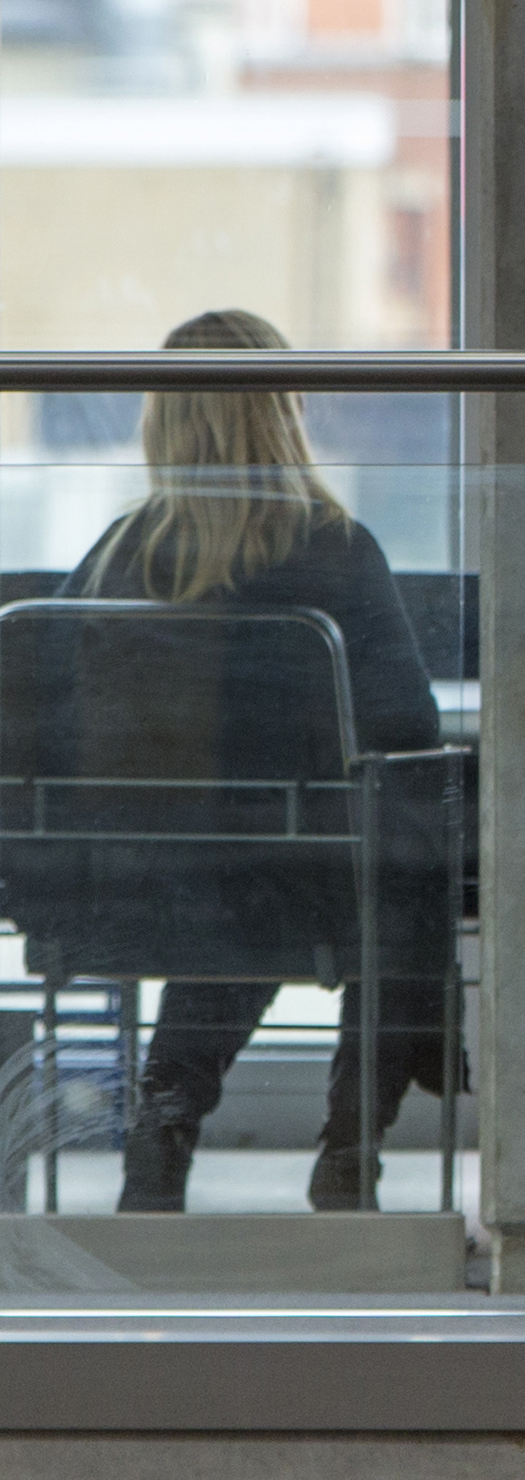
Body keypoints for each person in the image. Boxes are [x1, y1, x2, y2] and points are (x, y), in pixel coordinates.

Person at [70, 310, 456, 1214]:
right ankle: (351, 1149)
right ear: (284, 408)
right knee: (404, 878)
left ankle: (161, 1131)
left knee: (233, 890)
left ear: (160, 420)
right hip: (295, 872)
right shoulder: (334, 548)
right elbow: (407, 724)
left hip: (126, 876)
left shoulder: (119, 557)